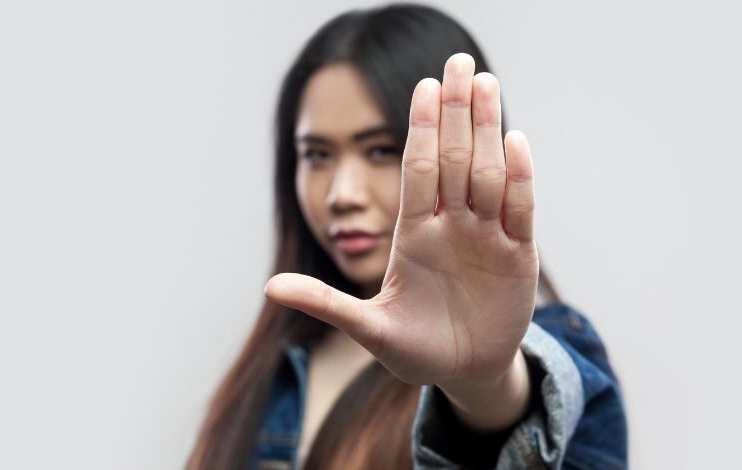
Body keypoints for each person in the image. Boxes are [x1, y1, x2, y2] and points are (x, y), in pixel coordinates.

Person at [186, 4, 627, 469]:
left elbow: (518, 405)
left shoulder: (555, 355)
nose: (343, 194)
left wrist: (481, 382)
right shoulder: (274, 366)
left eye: (380, 150)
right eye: (317, 155)